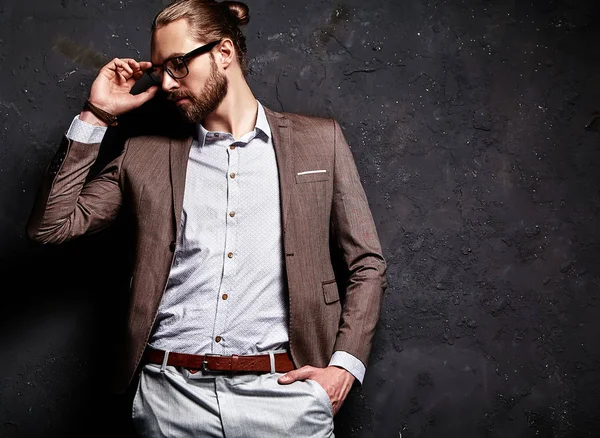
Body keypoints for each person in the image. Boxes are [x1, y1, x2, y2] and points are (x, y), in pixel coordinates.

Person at [27, 0, 387, 436]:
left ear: (224, 52)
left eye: (178, 64)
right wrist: (96, 114)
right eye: (160, 69)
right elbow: (51, 226)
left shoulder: (319, 142)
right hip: (170, 399)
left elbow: (366, 264)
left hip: (286, 397)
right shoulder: (145, 155)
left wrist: (343, 369)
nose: (166, 82)